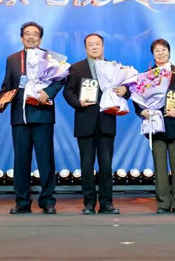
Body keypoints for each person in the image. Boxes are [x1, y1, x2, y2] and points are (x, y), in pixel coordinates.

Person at [0, 22, 64, 214]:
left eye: (35, 34)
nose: (31, 36)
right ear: (21, 38)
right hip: (20, 116)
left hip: (43, 114)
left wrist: (48, 93)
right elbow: (7, 85)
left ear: (40, 38)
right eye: (27, 33)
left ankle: (48, 201)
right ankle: (22, 202)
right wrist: (2, 100)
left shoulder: (52, 57)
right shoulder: (12, 59)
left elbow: (61, 79)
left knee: (46, 160)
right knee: (21, 161)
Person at [63, 33, 128, 214]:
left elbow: (127, 88)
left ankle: (107, 203)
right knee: (86, 166)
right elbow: (68, 92)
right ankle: (89, 203)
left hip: (106, 121)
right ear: (85, 48)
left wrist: (125, 90)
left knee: (106, 166)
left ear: (103, 46)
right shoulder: (76, 68)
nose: (94, 47)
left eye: (97, 44)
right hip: (85, 121)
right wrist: (78, 103)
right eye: (90, 44)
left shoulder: (114, 67)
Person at [134, 39, 175, 214]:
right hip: (155, 125)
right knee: (159, 167)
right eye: (157, 50)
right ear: (153, 54)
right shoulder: (147, 75)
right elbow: (138, 99)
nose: (161, 53)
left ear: (169, 51)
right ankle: (162, 203)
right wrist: (142, 111)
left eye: (164, 49)